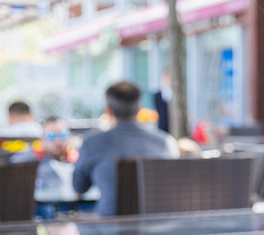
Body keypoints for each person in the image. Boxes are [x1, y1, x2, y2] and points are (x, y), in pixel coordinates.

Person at [73, 81, 180, 215]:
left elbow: (79, 187)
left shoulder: (92, 143)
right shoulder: (165, 142)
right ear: (139, 109)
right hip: (156, 227)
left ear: (108, 110)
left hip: (109, 228)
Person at [11, 117, 80, 218]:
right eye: (51, 136)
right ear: (42, 139)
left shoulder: (77, 156)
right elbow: (14, 164)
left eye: (64, 135)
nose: (58, 140)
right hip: (43, 205)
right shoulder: (31, 158)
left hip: (72, 202)